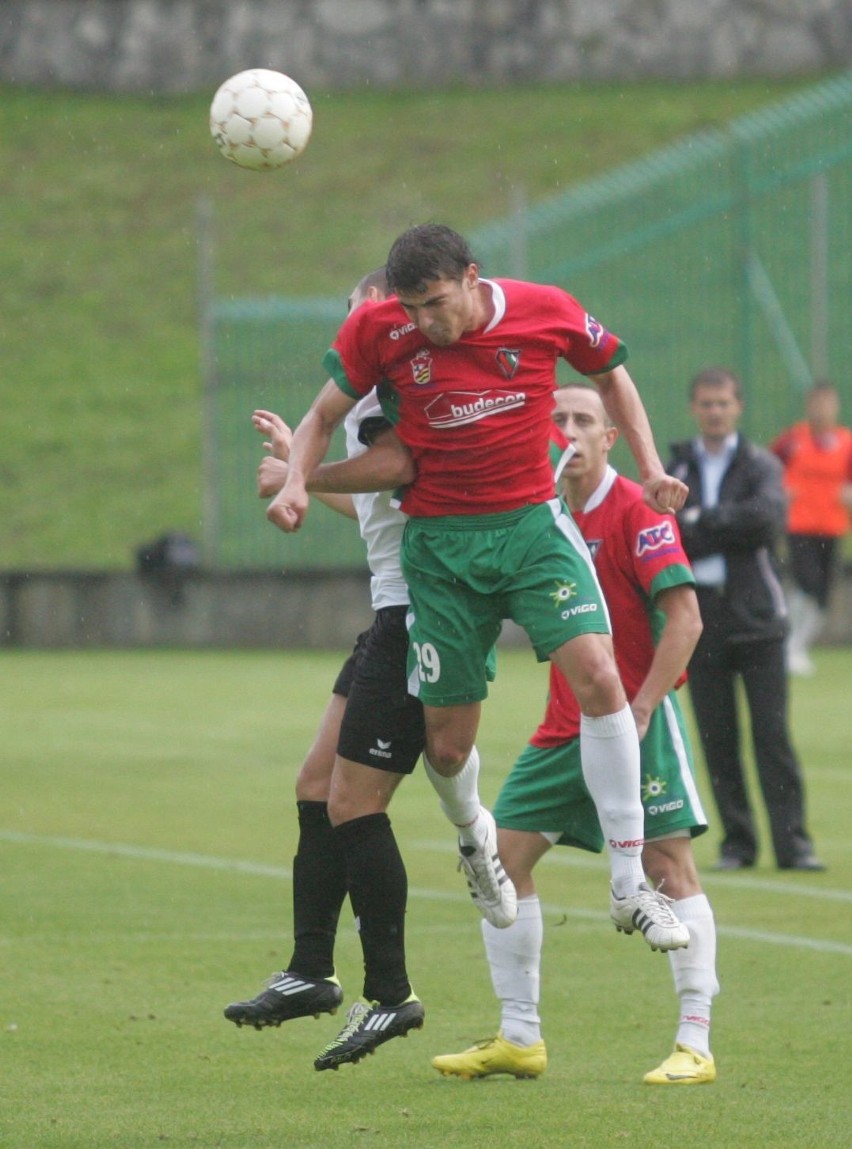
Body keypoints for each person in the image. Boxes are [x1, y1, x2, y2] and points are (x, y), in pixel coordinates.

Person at [266, 224, 691, 966]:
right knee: (448, 742)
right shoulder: (380, 328)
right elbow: (323, 416)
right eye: (413, 308)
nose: (427, 323)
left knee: (599, 673)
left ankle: (628, 884)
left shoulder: (545, 309)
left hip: (530, 527)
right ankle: (475, 839)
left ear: (470, 276)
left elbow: (612, 372)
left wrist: (650, 464)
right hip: (441, 549)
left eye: (436, 303)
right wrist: (299, 479)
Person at [431, 385, 719, 1086]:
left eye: (583, 420)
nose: (568, 431)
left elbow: (685, 620)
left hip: (634, 724)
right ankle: (519, 1036)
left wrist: (644, 705)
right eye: (555, 421)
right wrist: (307, 476)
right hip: (563, 731)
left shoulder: (636, 512)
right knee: (500, 864)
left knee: (669, 867)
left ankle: (695, 1042)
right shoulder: (539, 513)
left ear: (611, 436)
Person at [223, 269, 429, 1073]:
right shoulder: (364, 399)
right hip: (390, 615)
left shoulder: (391, 400)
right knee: (317, 785)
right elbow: (380, 502)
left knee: (355, 800)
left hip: (422, 616)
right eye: (352, 319)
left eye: (372, 318)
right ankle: (312, 970)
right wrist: (297, 465)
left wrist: (301, 476)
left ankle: (391, 994)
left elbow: (402, 473)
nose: (359, 335)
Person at [667, 367, 825, 872]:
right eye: (706, 403)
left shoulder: (760, 463)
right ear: (695, 408)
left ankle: (793, 845)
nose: (715, 411)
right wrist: (709, 525)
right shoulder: (679, 465)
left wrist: (700, 520)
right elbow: (668, 528)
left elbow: (764, 521)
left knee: (772, 736)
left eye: (724, 403)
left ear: (738, 407)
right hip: (699, 618)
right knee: (717, 738)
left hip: (757, 617)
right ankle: (738, 844)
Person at [769, 381, 852, 676]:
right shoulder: (793, 440)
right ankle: (788, 644)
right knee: (806, 583)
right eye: (817, 403)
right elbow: (767, 471)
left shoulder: (846, 443)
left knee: (822, 594)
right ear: (808, 407)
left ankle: (798, 645)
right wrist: (781, 492)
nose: (822, 410)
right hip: (800, 525)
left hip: (832, 526)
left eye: (827, 403)